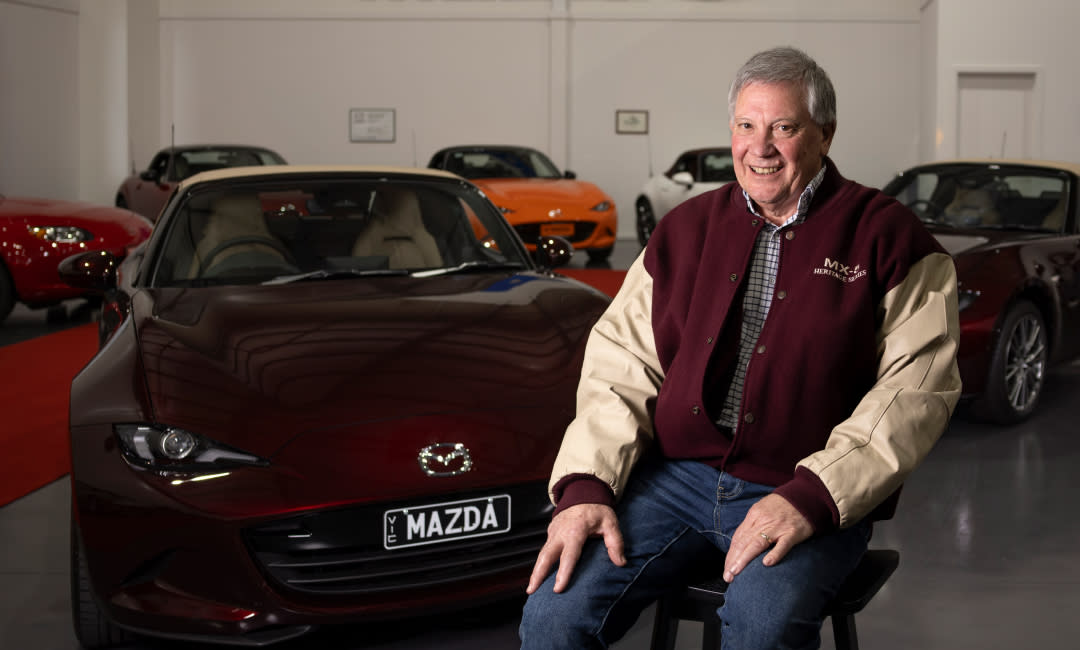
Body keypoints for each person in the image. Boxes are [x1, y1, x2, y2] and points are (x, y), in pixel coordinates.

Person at [519, 46, 962, 649]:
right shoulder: (684, 230)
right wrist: (584, 489)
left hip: (805, 487)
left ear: (825, 134)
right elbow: (621, 367)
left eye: (784, 127)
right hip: (675, 481)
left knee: (763, 628)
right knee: (552, 617)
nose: (762, 147)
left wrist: (813, 497)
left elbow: (915, 390)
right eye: (746, 126)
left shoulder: (891, 239)